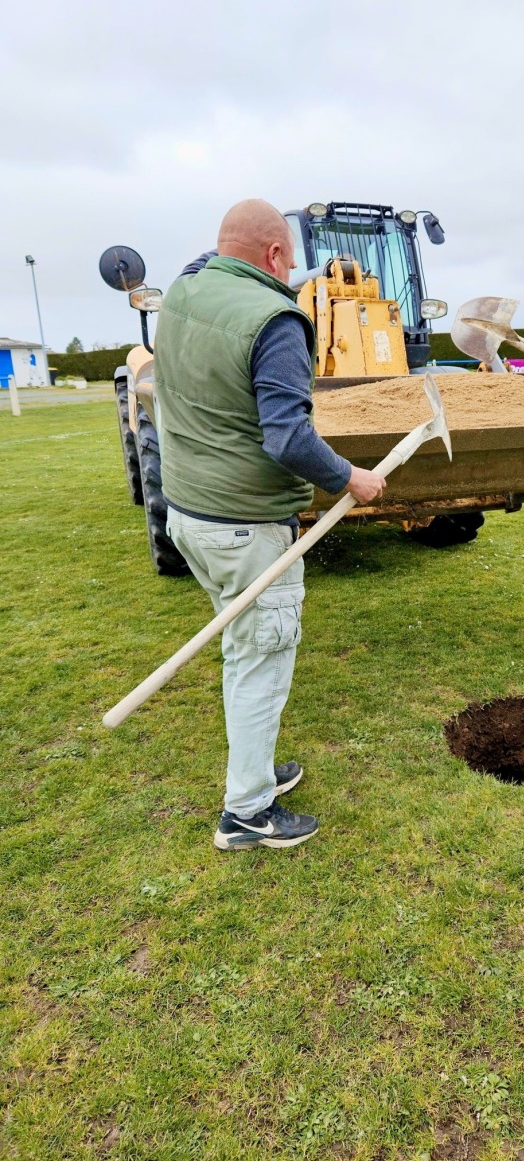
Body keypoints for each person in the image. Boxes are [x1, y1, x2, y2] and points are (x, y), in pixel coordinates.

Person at [153, 199, 386, 849]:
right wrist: (350, 476)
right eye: (289, 260)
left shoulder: (185, 291)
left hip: (189, 516)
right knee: (261, 659)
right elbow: (288, 437)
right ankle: (248, 813)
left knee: (243, 647)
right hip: (246, 527)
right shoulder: (276, 321)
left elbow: (209, 260)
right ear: (276, 255)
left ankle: (255, 769)